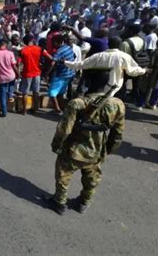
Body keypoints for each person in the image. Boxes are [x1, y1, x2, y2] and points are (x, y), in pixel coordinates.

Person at [47, 70, 124, 215]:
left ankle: (59, 202)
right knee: (92, 179)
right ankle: (84, 202)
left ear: (87, 82)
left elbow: (64, 130)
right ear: (107, 84)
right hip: (97, 149)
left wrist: (56, 145)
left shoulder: (77, 104)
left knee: (63, 175)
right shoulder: (117, 104)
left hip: (73, 149)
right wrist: (108, 149)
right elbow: (117, 133)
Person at [64, 37, 147, 97]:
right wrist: (144, 70)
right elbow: (132, 71)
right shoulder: (124, 57)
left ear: (108, 44)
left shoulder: (98, 56)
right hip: (113, 89)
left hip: (96, 88)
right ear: (120, 45)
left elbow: (80, 64)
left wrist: (65, 62)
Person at [48, 34, 75, 114]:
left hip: (61, 74)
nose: (52, 44)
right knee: (61, 92)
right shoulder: (69, 47)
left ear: (57, 42)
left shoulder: (59, 51)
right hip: (69, 73)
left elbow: (53, 63)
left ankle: (57, 109)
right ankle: (62, 107)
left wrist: (47, 73)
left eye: (53, 42)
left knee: (52, 93)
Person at [0, 39, 18, 117]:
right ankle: (10, 95)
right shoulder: (10, 53)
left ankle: (4, 112)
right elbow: (14, 65)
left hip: (1, 78)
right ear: (5, 45)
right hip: (11, 75)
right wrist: (18, 73)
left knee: (2, 95)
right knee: (11, 84)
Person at [19, 34, 43, 114]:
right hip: (37, 73)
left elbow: (19, 62)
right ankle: (35, 109)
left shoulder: (23, 51)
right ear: (32, 40)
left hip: (27, 73)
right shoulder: (38, 49)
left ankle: (24, 110)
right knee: (35, 92)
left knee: (25, 92)